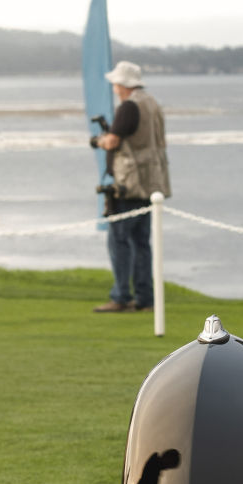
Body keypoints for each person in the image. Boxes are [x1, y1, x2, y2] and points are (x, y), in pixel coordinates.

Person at [93, 60, 171, 313]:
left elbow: (113, 141)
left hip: (129, 183)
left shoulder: (128, 107)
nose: (114, 87)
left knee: (119, 241)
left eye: (116, 83)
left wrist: (99, 140)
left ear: (122, 84)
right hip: (151, 182)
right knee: (142, 242)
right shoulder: (152, 103)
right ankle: (145, 298)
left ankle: (121, 296)